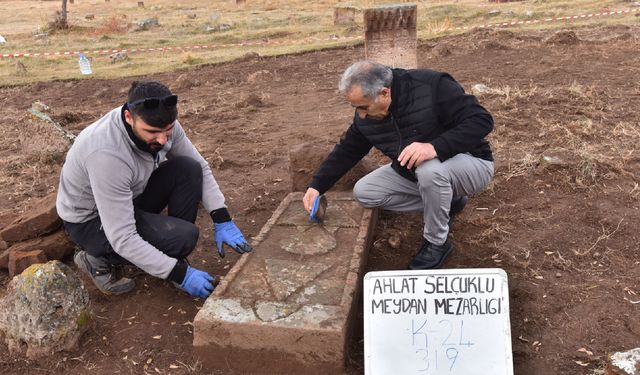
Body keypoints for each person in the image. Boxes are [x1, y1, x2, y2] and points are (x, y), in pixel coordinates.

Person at [56, 80, 253, 297]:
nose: (162, 139)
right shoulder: (106, 154)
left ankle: (170, 255)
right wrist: (179, 274)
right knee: (184, 238)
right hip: (91, 221)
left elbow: (201, 167)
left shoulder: (162, 123)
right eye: (152, 132)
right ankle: (96, 258)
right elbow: (123, 236)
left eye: (167, 131)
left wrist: (221, 217)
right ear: (129, 117)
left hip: (129, 197)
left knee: (188, 168)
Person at [303, 61, 494, 270]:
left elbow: (481, 120)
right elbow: (348, 150)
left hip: (472, 162)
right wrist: (316, 186)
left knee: (429, 168)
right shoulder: (366, 115)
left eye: (363, 107)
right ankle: (450, 201)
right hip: (419, 173)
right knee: (365, 192)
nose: (361, 115)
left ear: (384, 93)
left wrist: (434, 147)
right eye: (356, 108)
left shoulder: (432, 85)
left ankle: (437, 243)